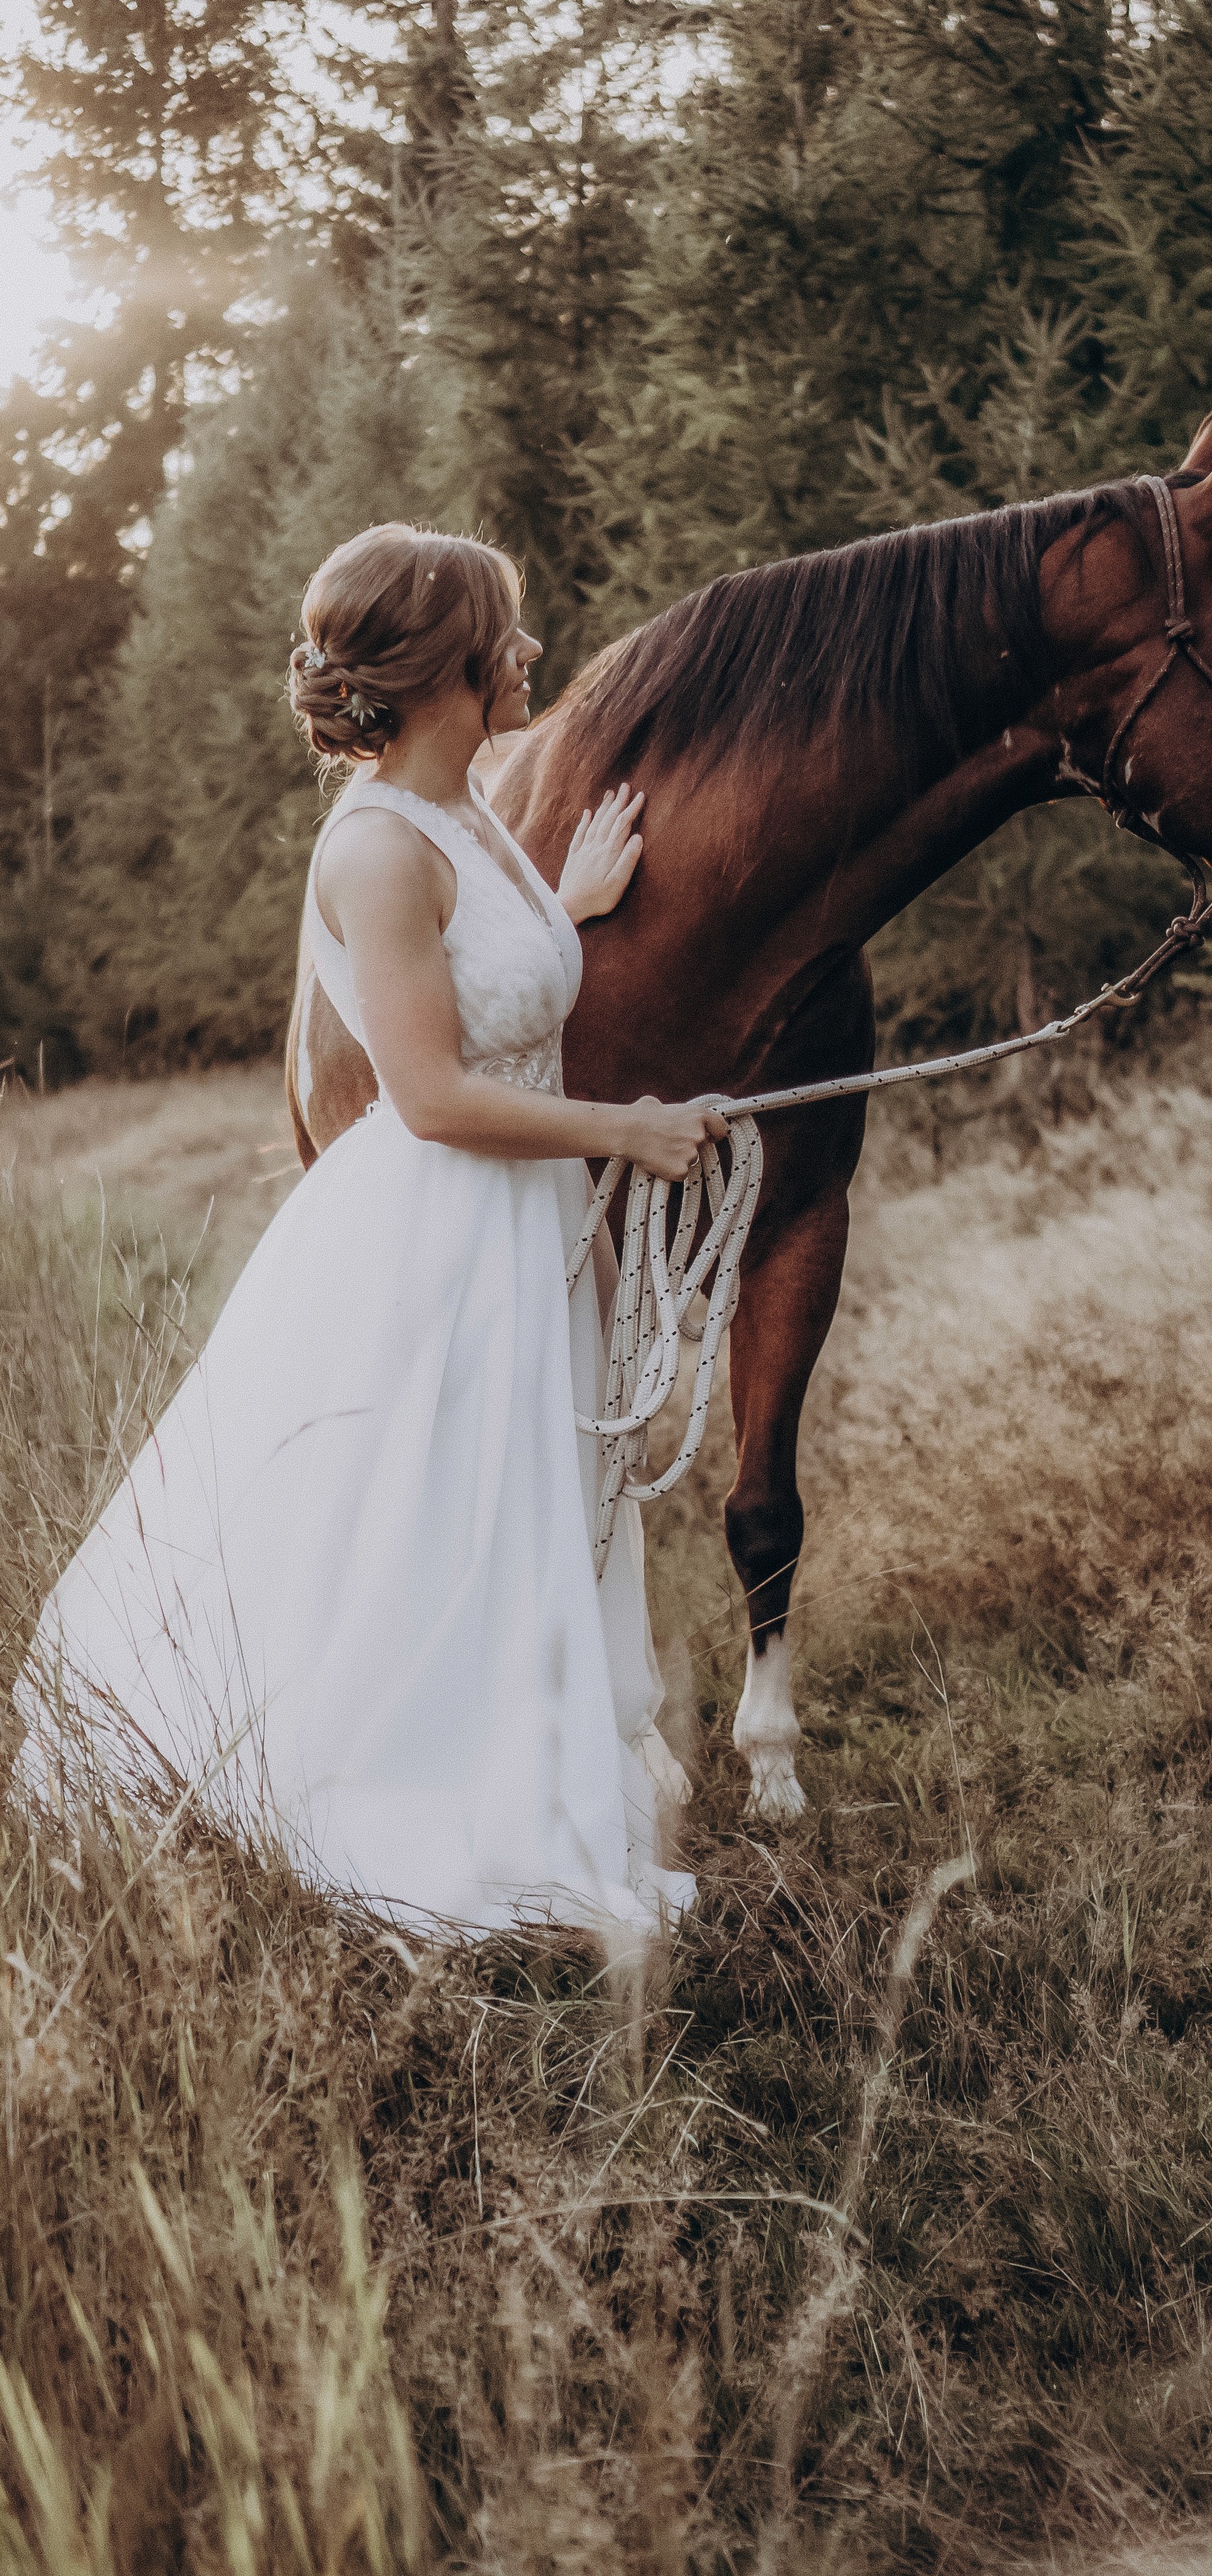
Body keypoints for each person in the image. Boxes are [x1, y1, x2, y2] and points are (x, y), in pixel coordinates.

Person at [15, 523, 723, 1939]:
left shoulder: (468, 815)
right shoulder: (378, 851)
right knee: (425, 1518)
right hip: (443, 1234)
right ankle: (390, 1798)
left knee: (509, 1509)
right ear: (442, 667)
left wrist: (565, 911)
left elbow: (490, 978)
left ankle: (518, 1770)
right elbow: (435, 1095)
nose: (530, 652)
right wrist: (631, 1132)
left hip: (519, 1234)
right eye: (506, 636)